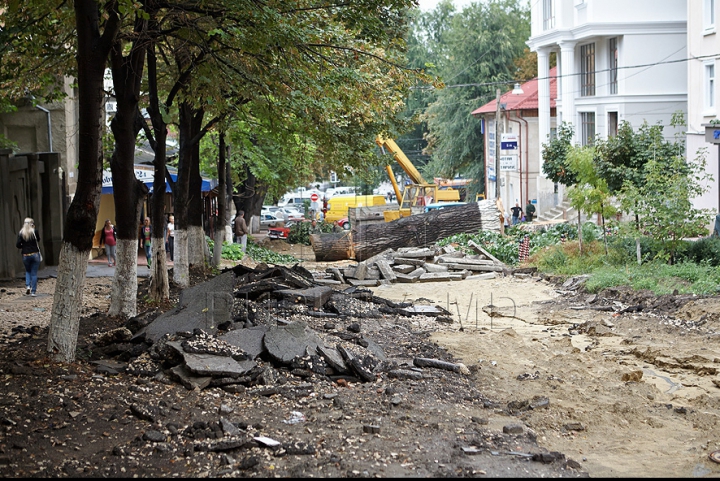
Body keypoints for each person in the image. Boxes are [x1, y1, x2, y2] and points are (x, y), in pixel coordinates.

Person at [16, 217, 41, 297]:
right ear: (32, 224)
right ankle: (33, 292)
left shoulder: (21, 233)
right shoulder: (34, 232)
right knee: (34, 273)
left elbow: (18, 245)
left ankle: (28, 286)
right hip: (35, 254)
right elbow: (38, 240)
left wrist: (23, 245)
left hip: (25, 255)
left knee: (27, 271)